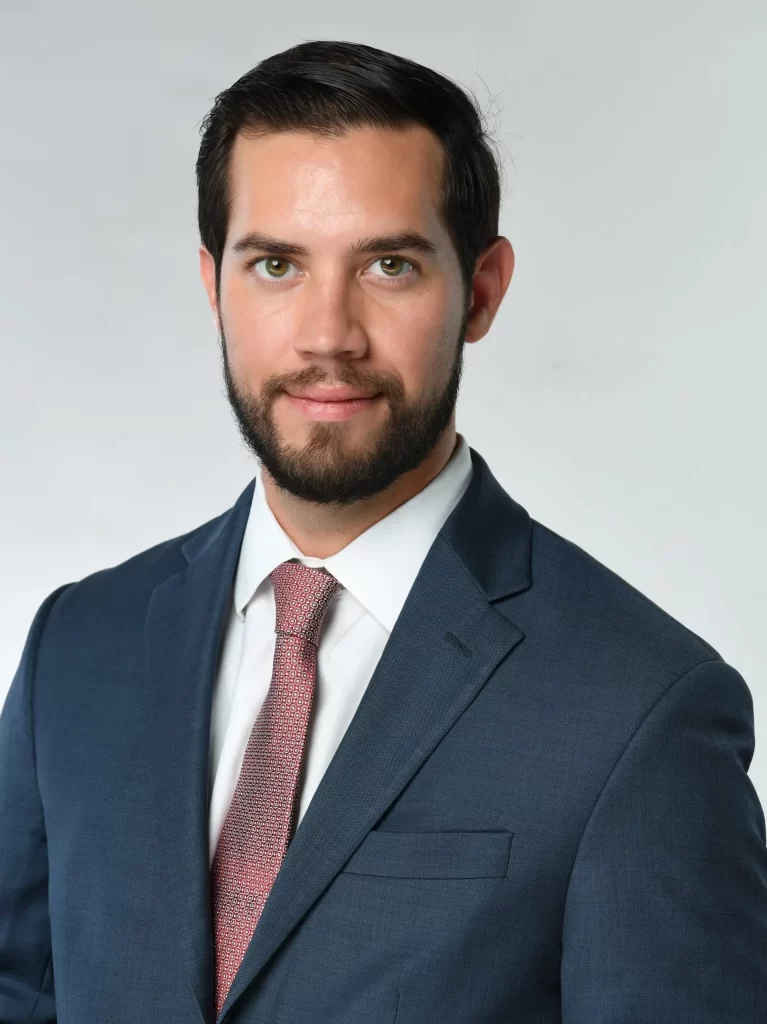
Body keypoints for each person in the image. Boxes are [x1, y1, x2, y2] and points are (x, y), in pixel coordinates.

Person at [1, 38, 765, 1024]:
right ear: (212, 285)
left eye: (390, 265)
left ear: (480, 291)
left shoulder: (638, 710)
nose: (327, 333)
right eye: (275, 263)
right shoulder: (80, 647)